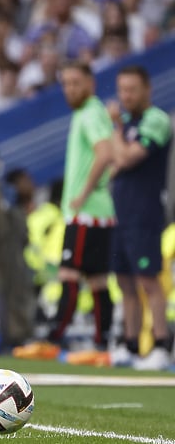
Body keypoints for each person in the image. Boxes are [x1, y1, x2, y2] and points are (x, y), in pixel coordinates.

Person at [14, 62, 115, 361]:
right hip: (96, 212)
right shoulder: (89, 112)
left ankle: (54, 338)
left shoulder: (91, 113)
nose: (70, 89)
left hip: (86, 212)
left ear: (90, 83)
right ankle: (102, 344)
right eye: (66, 83)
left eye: (76, 82)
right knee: (96, 279)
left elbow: (105, 154)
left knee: (69, 274)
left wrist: (83, 192)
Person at [107, 65, 173, 370]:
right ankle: (130, 345)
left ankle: (161, 344)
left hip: (144, 212)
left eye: (132, 89)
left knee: (149, 281)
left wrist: (116, 128)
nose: (126, 96)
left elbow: (124, 158)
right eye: (122, 90)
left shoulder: (156, 120)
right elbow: (115, 163)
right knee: (125, 282)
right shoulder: (130, 124)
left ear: (148, 89)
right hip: (120, 212)